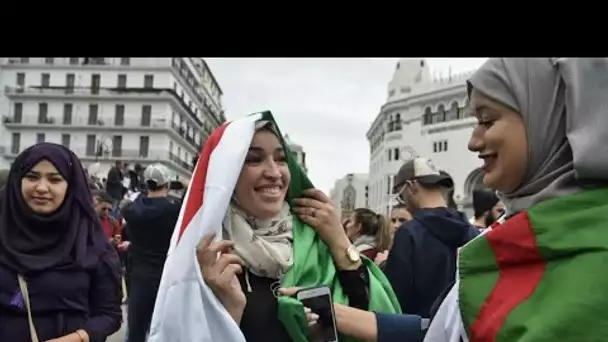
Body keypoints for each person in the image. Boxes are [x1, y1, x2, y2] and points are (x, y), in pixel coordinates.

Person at [148, 112, 400, 342]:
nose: (274, 172)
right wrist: (229, 312)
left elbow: (376, 318)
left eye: (281, 159)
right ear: (228, 174)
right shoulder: (207, 254)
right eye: (254, 159)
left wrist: (341, 243)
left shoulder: (316, 241)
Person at [425, 58, 608, 342]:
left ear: (549, 118)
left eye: (487, 120)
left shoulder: (596, 259)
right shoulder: (512, 232)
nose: (473, 141)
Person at [0, 142, 122, 342]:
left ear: (71, 186)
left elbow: (109, 315)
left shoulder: (91, 243)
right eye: (32, 177)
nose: (41, 187)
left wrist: (77, 338)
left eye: (55, 180)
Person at [384, 156, 479, 319]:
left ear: (411, 186)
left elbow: (394, 301)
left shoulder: (409, 234)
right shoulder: (472, 232)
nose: (404, 202)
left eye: (401, 195)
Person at [122, 163, 186, 342]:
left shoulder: (131, 211)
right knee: (165, 330)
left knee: (136, 328)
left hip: (139, 275)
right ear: (167, 184)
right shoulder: (173, 211)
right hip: (166, 277)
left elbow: (137, 203)